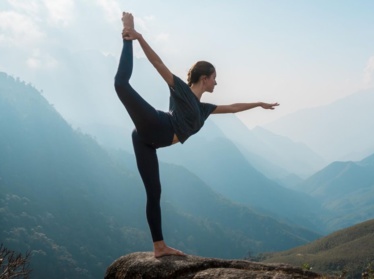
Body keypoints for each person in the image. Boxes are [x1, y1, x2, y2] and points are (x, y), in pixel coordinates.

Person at [114, 12, 279, 258]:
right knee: (121, 84)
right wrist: (137, 36)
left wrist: (258, 103)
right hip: (158, 126)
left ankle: (159, 246)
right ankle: (126, 33)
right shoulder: (181, 90)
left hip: (148, 141)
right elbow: (158, 63)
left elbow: (233, 108)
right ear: (204, 78)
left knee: (154, 192)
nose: (216, 83)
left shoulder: (204, 109)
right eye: (214, 78)